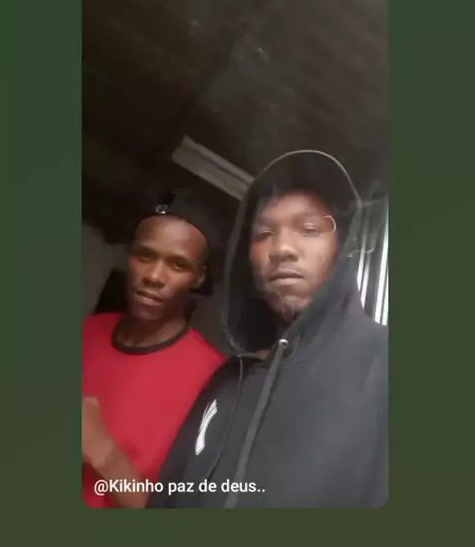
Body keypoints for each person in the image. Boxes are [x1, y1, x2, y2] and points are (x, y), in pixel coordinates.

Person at [146, 150, 388, 508]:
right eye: (263, 234)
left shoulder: (386, 365)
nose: (282, 248)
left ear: (343, 247)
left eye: (309, 230)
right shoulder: (227, 381)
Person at [82, 189, 225, 508]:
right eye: (145, 255)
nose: (154, 276)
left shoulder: (214, 382)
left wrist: (104, 453)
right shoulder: (91, 329)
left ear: (199, 276)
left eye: (177, 265)